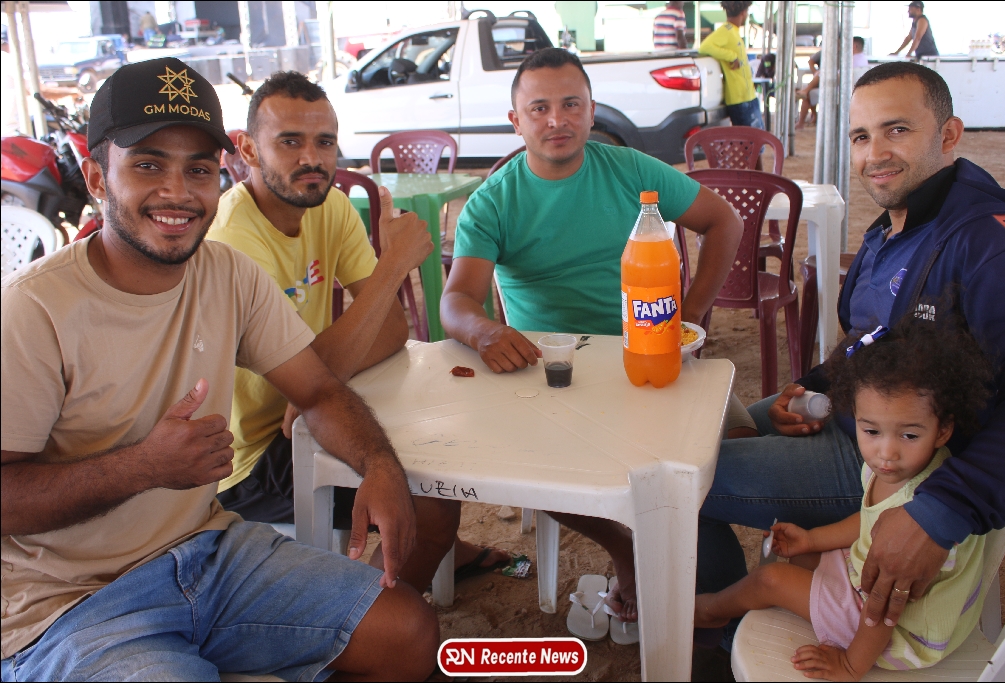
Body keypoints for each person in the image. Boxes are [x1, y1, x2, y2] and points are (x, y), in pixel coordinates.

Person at [0, 58, 437, 681]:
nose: (178, 192)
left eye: (199, 169)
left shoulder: (228, 275)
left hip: (207, 553)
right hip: (70, 603)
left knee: (409, 632)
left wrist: (380, 466)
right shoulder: (33, 308)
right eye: (148, 165)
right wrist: (143, 466)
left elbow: (317, 390)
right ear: (97, 177)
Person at [698, 61, 1005, 655]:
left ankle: (714, 636)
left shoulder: (989, 245)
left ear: (949, 134)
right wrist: (811, 387)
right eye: (860, 136)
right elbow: (870, 342)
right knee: (703, 426)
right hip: (850, 415)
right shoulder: (889, 229)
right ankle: (733, 608)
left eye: (897, 130)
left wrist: (941, 513)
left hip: (896, 466)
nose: (876, 153)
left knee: (679, 477)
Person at [440, 47, 744, 621]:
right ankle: (626, 549)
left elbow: (722, 220)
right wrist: (483, 332)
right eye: (539, 108)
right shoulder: (493, 201)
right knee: (532, 464)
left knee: (726, 455)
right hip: (558, 375)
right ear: (516, 121)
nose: (557, 120)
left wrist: (691, 314)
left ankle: (701, 588)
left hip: (652, 356)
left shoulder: (630, 170)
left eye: (571, 104)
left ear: (591, 110)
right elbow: (457, 301)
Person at [208, 71, 511, 591]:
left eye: (325, 142)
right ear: (248, 149)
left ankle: (437, 554)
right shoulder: (234, 243)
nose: (312, 158)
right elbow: (306, 383)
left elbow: (390, 329)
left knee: (442, 445)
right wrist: (393, 267)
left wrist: (319, 374)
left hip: (317, 411)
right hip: (248, 459)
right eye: (290, 141)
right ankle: (372, 618)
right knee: (430, 503)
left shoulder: (328, 205)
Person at [696, 321, 993, 679]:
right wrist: (811, 540)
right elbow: (868, 520)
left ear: (943, 429)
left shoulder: (922, 506)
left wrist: (851, 665)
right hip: (871, 584)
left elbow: (887, 604)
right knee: (797, 555)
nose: (887, 452)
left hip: (901, 633)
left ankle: (708, 611)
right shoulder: (893, 468)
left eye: (909, 435)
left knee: (770, 580)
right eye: (871, 431)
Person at [698, 1, 762, 130]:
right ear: (743, 13)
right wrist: (731, 56)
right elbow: (704, 47)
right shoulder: (726, 31)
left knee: (755, 138)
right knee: (753, 139)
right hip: (740, 99)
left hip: (747, 97)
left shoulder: (732, 31)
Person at [796, 38, 868, 130]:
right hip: (853, 92)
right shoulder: (863, 59)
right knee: (818, 79)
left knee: (810, 92)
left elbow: (836, 76)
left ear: (854, 46)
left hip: (840, 93)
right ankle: (807, 96)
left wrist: (821, 74)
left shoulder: (850, 61)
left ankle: (801, 122)